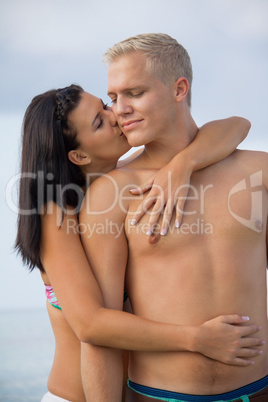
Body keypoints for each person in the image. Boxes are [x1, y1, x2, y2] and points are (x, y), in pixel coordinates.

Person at [16, 85, 261, 402]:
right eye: (99, 122)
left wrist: (182, 164)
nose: (115, 115)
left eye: (105, 106)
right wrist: (197, 339)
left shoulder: (125, 181)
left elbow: (236, 125)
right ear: (79, 155)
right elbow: (91, 324)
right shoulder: (58, 215)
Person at [79, 33, 268, 401]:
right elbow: (102, 334)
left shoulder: (258, 171)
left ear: (179, 89)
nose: (120, 109)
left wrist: (185, 163)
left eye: (134, 93)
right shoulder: (112, 193)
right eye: (114, 97)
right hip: (160, 395)